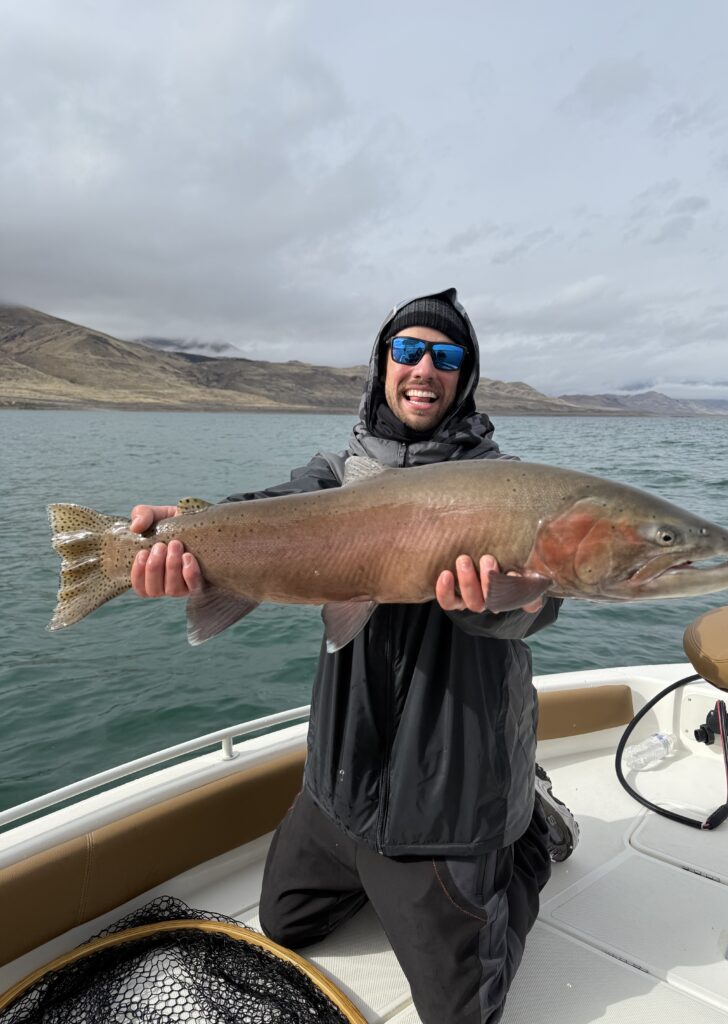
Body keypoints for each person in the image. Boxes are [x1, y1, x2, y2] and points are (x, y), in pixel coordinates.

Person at [129, 288, 579, 1024]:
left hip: (450, 803)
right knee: (286, 924)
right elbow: (261, 507)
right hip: (338, 788)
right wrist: (184, 530)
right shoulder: (336, 473)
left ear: (464, 376)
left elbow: (540, 606)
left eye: (445, 355)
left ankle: (525, 837)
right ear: (383, 367)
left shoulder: (509, 488)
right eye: (407, 351)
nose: (424, 368)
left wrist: (514, 602)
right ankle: (372, 854)